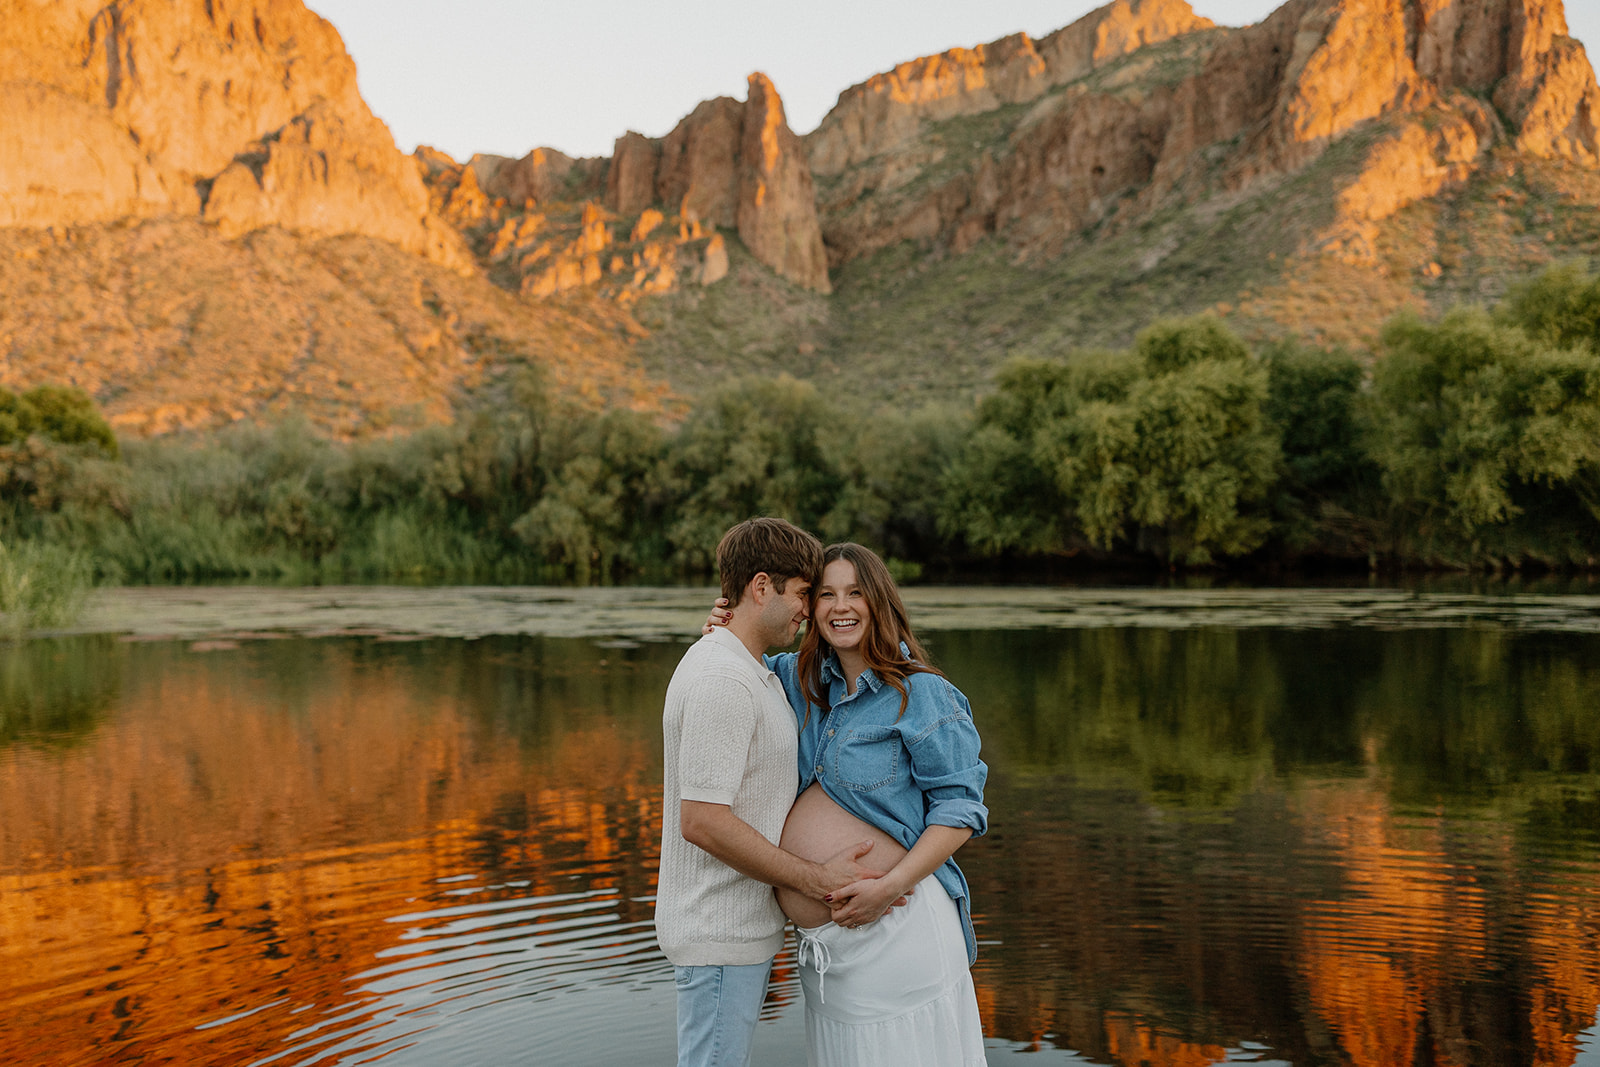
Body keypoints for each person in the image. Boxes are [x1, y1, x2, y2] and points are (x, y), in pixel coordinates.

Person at [707, 541, 989, 1066]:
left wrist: (889, 886)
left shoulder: (921, 693)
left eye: (856, 593)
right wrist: (727, 622)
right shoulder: (800, 679)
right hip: (831, 958)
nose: (841, 607)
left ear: (879, 601)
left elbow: (960, 811)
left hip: (899, 929)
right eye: (827, 594)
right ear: (810, 609)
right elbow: (740, 656)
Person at [657, 518, 895, 1067]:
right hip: (719, 932)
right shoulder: (725, 679)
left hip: (735, 933)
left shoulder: (749, 668)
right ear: (761, 587)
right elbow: (703, 821)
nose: (808, 610)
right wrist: (814, 878)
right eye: (803, 594)